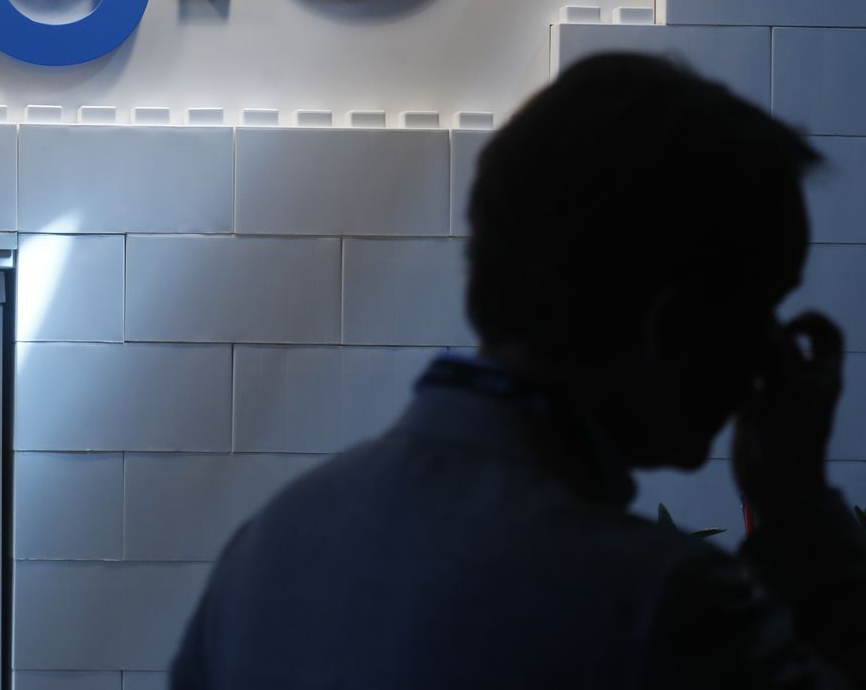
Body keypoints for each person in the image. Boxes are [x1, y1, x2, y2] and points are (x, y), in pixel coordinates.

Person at [169, 53, 866, 689]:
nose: (772, 354)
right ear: (673, 325)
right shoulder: (658, 608)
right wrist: (800, 516)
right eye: (761, 310)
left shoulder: (269, 550)